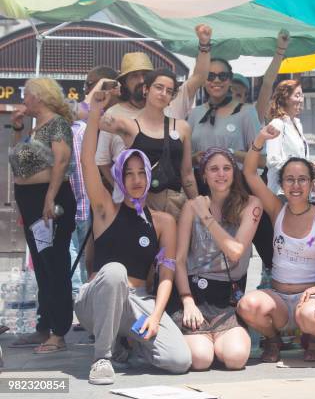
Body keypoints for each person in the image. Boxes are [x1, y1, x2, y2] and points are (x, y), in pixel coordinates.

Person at [76, 90, 191, 385]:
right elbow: (88, 162)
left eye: (142, 173)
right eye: (129, 173)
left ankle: (130, 343)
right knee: (114, 271)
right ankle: (102, 357)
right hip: (96, 299)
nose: (137, 179)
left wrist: (154, 316)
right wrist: (94, 115)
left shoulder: (164, 221)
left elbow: (167, 273)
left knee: (179, 361)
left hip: (137, 302)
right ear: (119, 176)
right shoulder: (105, 210)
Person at [237, 126, 315, 362]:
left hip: (310, 299)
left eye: (302, 180)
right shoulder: (277, 210)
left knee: (312, 318)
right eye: (290, 180)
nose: (296, 186)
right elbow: (250, 174)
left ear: (312, 184)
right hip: (279, 299)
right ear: (282, 184)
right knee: (247, 305)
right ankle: (273, 340)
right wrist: (260, 138)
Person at [173, 147, 261, 370]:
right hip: (196, 295)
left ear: (234, 172)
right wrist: (187, 300)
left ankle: (217, 338)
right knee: (201, 359)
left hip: (227, 298)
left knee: (236, 358)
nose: (221, 174)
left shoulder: (251, 204)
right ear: (203, 175)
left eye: (226, 168)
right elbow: (180, 259)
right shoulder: (191, 207)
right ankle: (201, 338)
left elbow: (235, 251)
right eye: (213, 169)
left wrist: (207, 216)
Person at [188, 57, 274, 280]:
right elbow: (185, 160)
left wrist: (228, 152)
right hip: (205, 189)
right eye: (211, 76)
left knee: (243, 249)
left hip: (239, 191)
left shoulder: (246, 112)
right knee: (205, 249)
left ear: (229, 79)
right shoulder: (195, 114)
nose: (216, 80)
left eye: (222, 76)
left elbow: (262, 160)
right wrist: (197, 158)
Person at [96, 24, 212, 186]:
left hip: (173, 195)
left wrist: (204, 44)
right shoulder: (114, 114)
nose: (141, 80)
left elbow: (199, 76)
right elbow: (102, 161)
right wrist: (121, 190)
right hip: (133, 199)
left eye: (145, 75)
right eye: (134, 76)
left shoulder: (171, 100)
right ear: (124, 82)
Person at [8, 78, 76, 354]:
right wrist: (16, 128)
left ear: (40, 97)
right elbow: (18, 160)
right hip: (31, 202)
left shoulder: (57, 124)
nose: (24, 100)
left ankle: (59, 332)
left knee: (54, 265)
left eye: (27, 96)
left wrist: (50, 196)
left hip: (50, 200)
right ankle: (43, 327)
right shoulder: (36, 129)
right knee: (41, 266)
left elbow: (61, 160)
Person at [97, 68, 198, 219]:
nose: (163, 93)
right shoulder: (128, 125)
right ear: (146, 89)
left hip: (173, 201)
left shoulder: (182, 127)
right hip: (140, 200)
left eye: (169, 91)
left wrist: (199, 208)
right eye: (158, 87)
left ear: (172, 97)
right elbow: (90, 117)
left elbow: (187, 173)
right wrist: (102, 93)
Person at [69, 66, 119, 298]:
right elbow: (78, 111)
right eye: (88, 85)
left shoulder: (117, 116)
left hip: (110, 201)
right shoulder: (87, 116)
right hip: (88, 201)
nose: (87, 90)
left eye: (90, 84)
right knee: (90, 262)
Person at [232, 29, 290, 123]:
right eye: (229, 93)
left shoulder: (252, 119)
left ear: (244, 99)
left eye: (238, 95)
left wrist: (280, 50)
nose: (232, 98)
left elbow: (267, 84)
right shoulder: (210, 118)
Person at [264, 80, 309, 195]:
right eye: (297, 95)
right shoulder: (277, 124)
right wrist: (302, 167)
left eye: (302, 95)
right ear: (285, 98)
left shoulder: (297, 124)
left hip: (297, 192)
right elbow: (273, 161)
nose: (301, 99)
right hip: (281, 193)